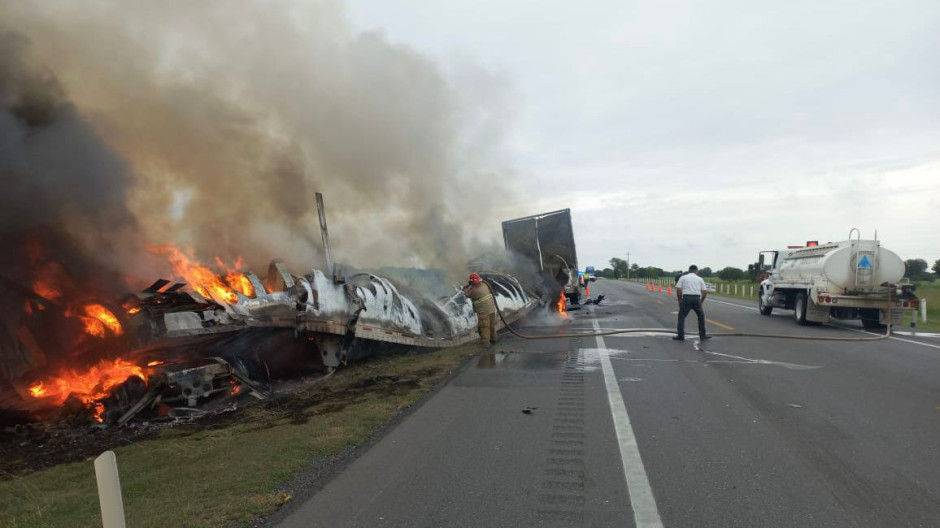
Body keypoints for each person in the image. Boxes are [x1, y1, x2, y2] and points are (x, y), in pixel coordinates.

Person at [673, 264, 711, 341]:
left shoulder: (683, 277)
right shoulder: (700, 279)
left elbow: (678, 290)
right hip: (696, 298)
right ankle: (702, 335)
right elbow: (705, 292)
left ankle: (680, 335)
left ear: (689, 270)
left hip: (686, 298)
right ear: (696, 271)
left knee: (681, 316)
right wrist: (701, 301)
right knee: (701, 316)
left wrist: (680, 300)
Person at [462, 273, 497, 345]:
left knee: (484, 327)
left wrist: (466, 287)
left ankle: (485, 344)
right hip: (491, 308)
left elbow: (466, 294)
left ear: (472, 281)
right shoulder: (484, 285)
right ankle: (493, 339)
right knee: (491, 325)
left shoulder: (475, 290)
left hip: (483, 311)